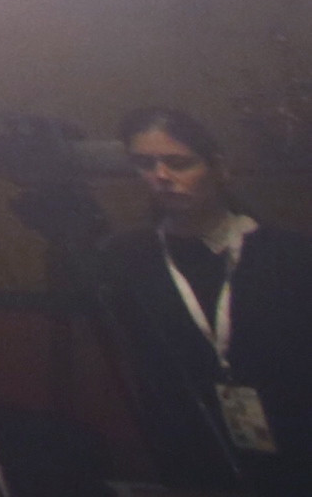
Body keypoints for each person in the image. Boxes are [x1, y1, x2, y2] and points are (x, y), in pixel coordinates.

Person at [92, 106, 312, 491]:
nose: (161, 176)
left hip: (295, 451)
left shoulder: (288, 255)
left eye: (178, 163)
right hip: (191, 455)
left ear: (218, 167)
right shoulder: (128, 260)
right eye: (146, 164)